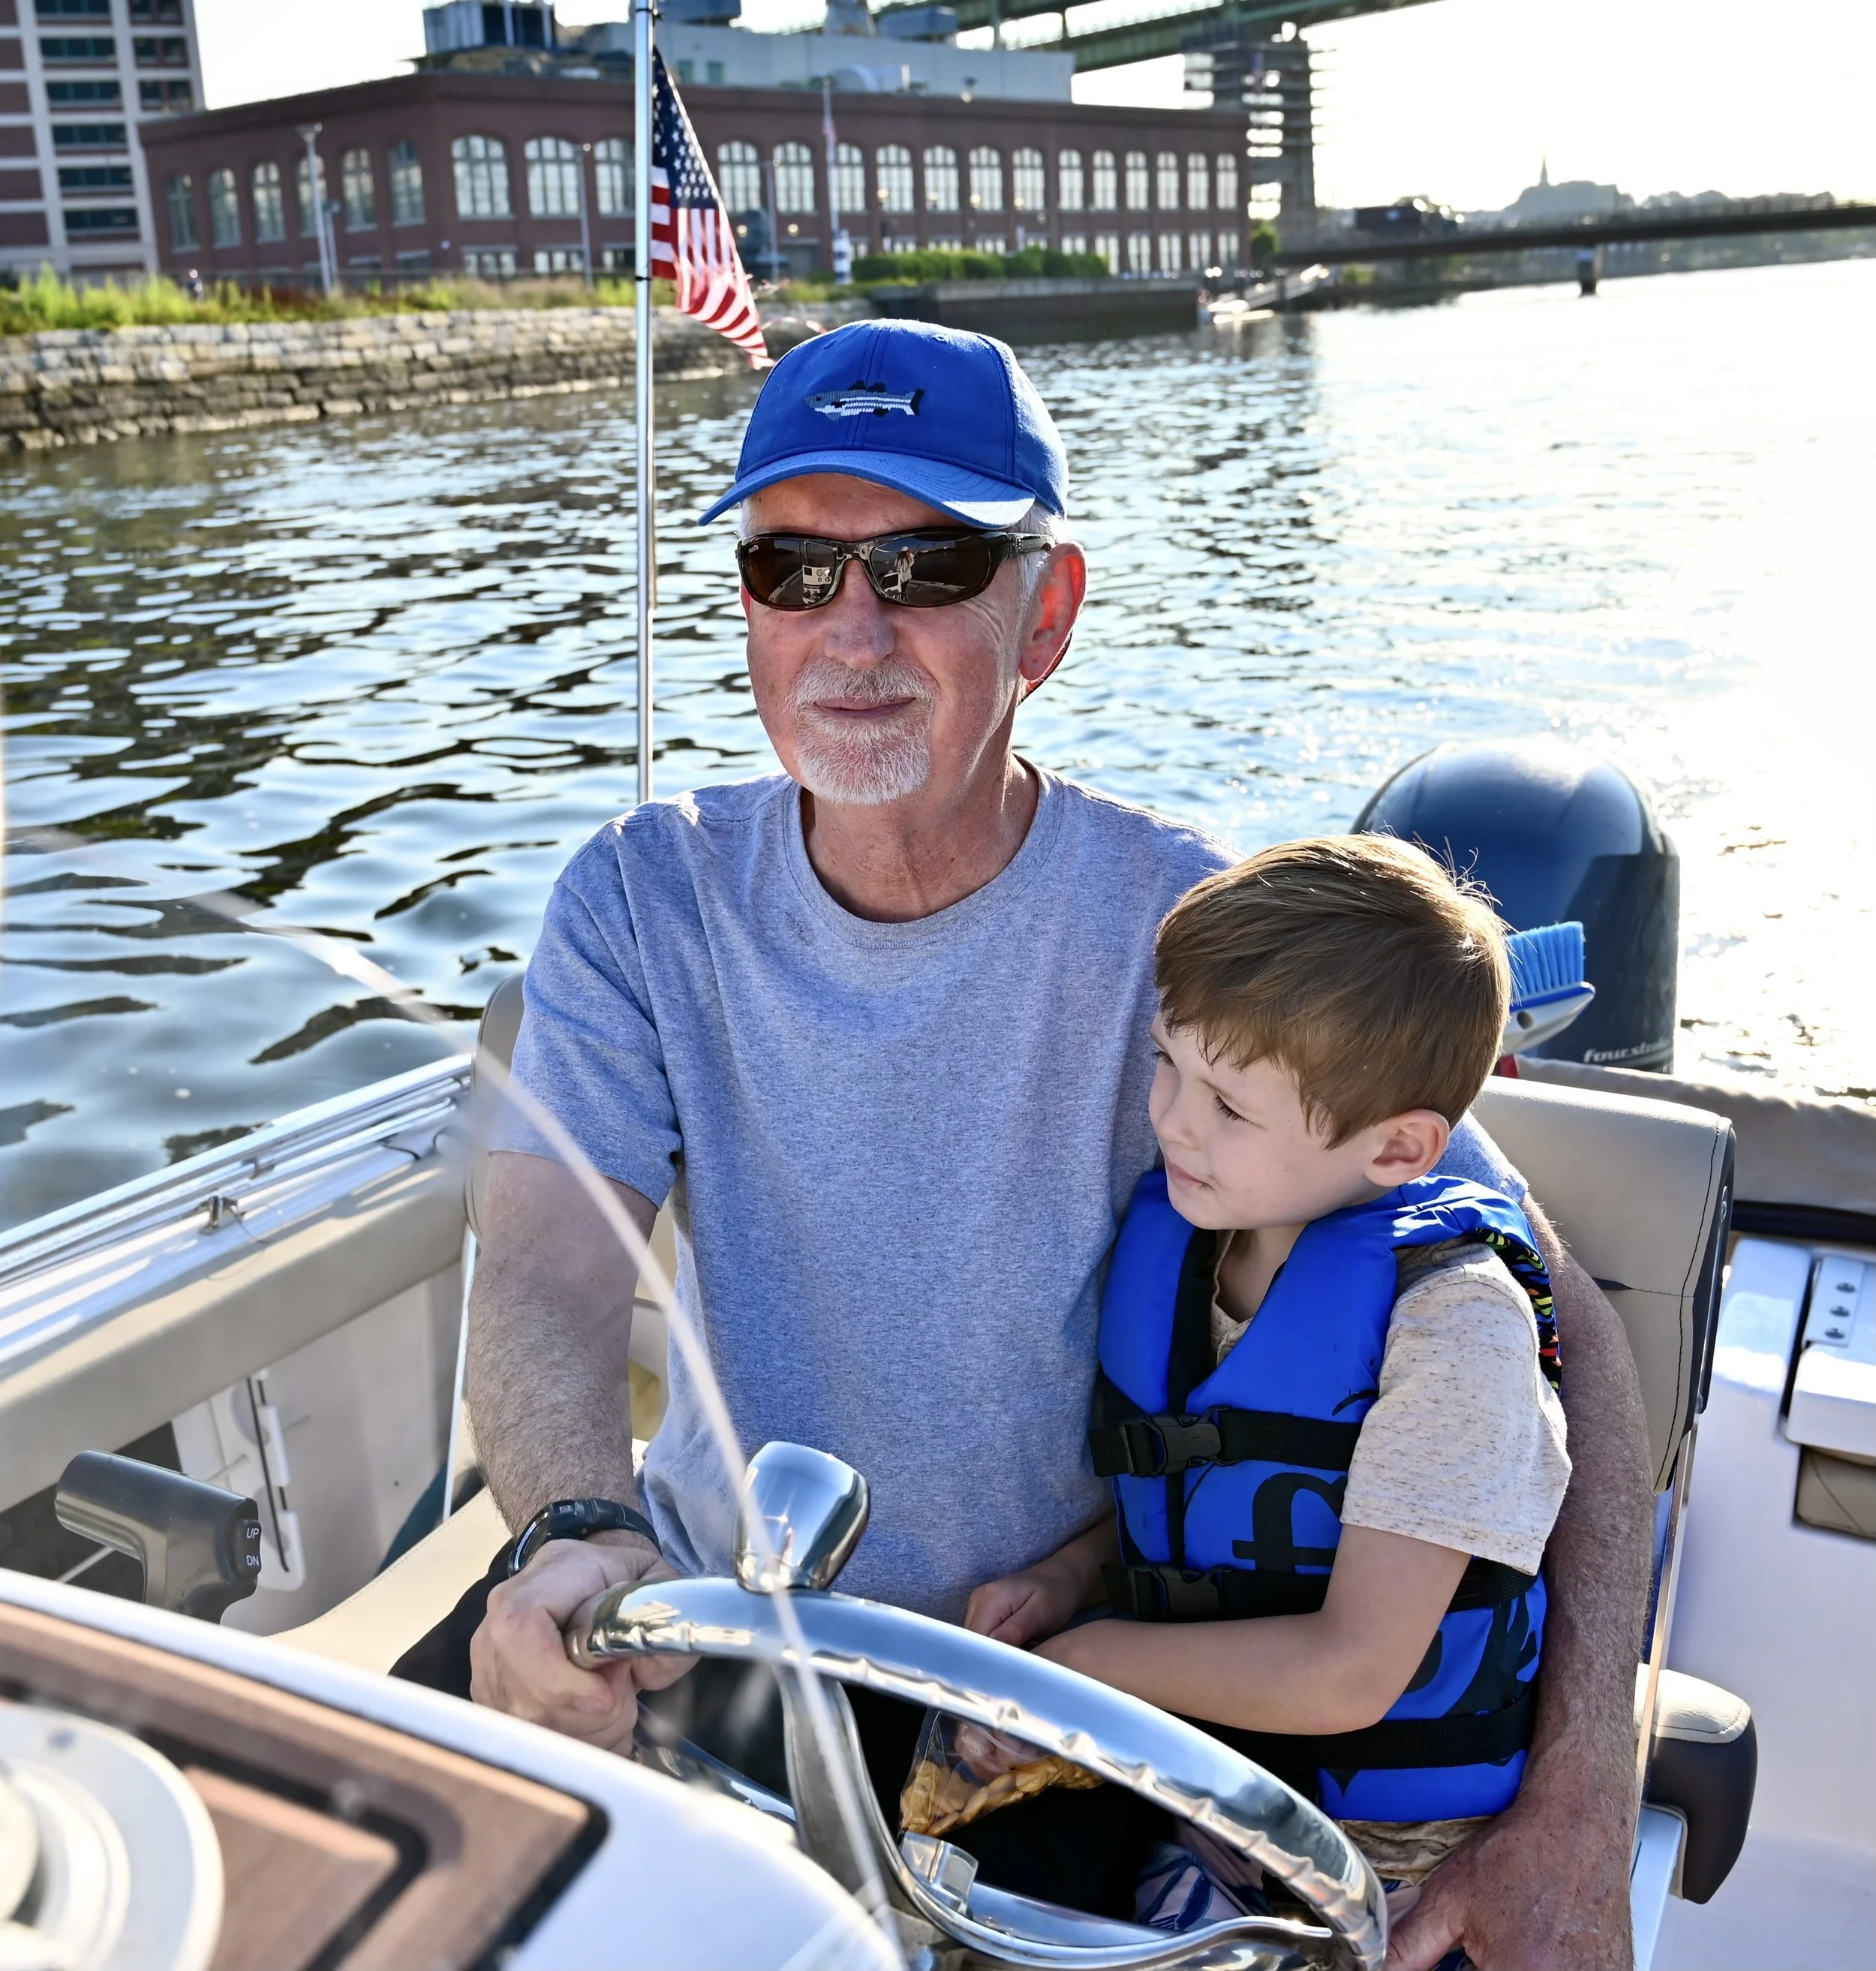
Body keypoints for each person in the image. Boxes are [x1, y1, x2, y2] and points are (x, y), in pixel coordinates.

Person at [400, 319, 1653, 1966]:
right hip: (706, 1627)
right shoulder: (640, 900)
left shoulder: (1202, 938)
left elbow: (1574, 1340)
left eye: (922, 565)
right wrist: (573, 1531)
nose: (849, 631)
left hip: (1059, 1696)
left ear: (1041, 612)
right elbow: (553, 1263)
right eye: (789, 568)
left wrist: (1576, 1798)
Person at [958, 835, 1571, 1946]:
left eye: (1231, 1107)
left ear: (1399, 1148)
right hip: (1204, 1783)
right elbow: (1214, 1495)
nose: (1175, 1120)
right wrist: (1068, 1578)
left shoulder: (1455, 1330)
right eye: (1166, 1062)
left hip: (1378, 1865)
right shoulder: (1203, 1238)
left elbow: (1351, 1671)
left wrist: (1083, 1673)